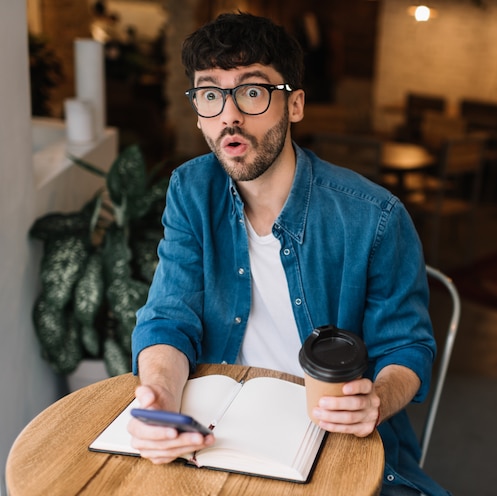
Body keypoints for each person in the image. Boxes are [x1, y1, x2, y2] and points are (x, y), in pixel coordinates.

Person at [128, 12, 451, 496]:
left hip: (338, 442)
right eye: (211, 95)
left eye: (253, 92)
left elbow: (407, 347)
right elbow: (168, 318)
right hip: (220, 434)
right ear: (198, 112)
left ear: (294, 104)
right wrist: (158, 398)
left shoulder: (375, 216)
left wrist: (376, 400)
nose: (229, 116)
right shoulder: (191, 190)